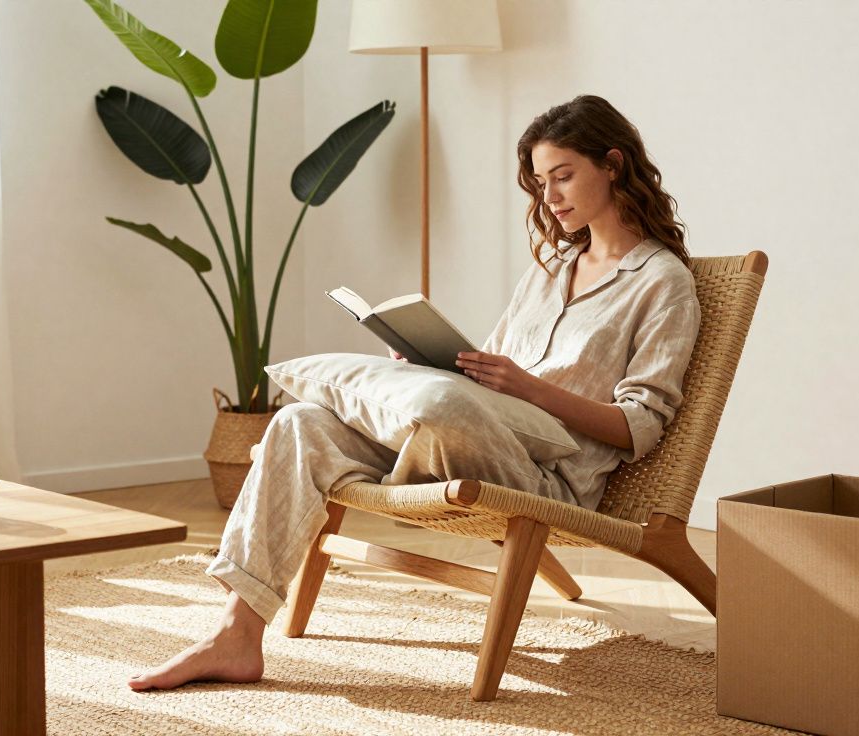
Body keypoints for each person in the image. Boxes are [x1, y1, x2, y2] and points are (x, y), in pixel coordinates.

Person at [127, 94, 701, 691]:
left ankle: (412, 424)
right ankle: (236, 634)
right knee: (299, 422)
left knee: (440, 406)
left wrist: (524, 387)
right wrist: (430, 360)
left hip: (547, 478)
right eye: (539, 182)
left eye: (563, 176)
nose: (549, 196)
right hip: (467, 437)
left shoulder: (662, 282)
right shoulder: (551, 267)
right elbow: (487, 378)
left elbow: (640, 426)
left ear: (612, 164)